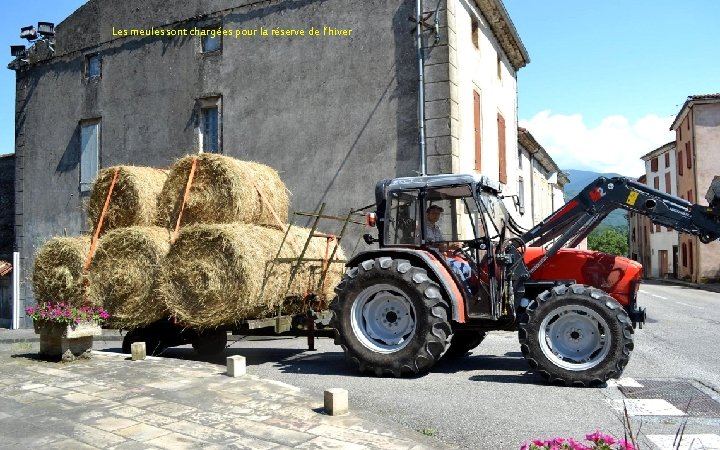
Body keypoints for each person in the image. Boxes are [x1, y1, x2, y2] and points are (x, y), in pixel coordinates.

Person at [424, 205, 473, 292]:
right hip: (431, 258)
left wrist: (453, 248)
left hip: (440, 256)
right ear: (427, 214)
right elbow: (433, 246)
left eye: (438, 214)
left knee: (466, 267)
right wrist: (450, 246)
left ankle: (470, 290)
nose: (436, 216)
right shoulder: (424, 229)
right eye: (434, 213)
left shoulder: (437, 228)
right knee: (457, 270)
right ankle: (465, 294)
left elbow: (442, 243)